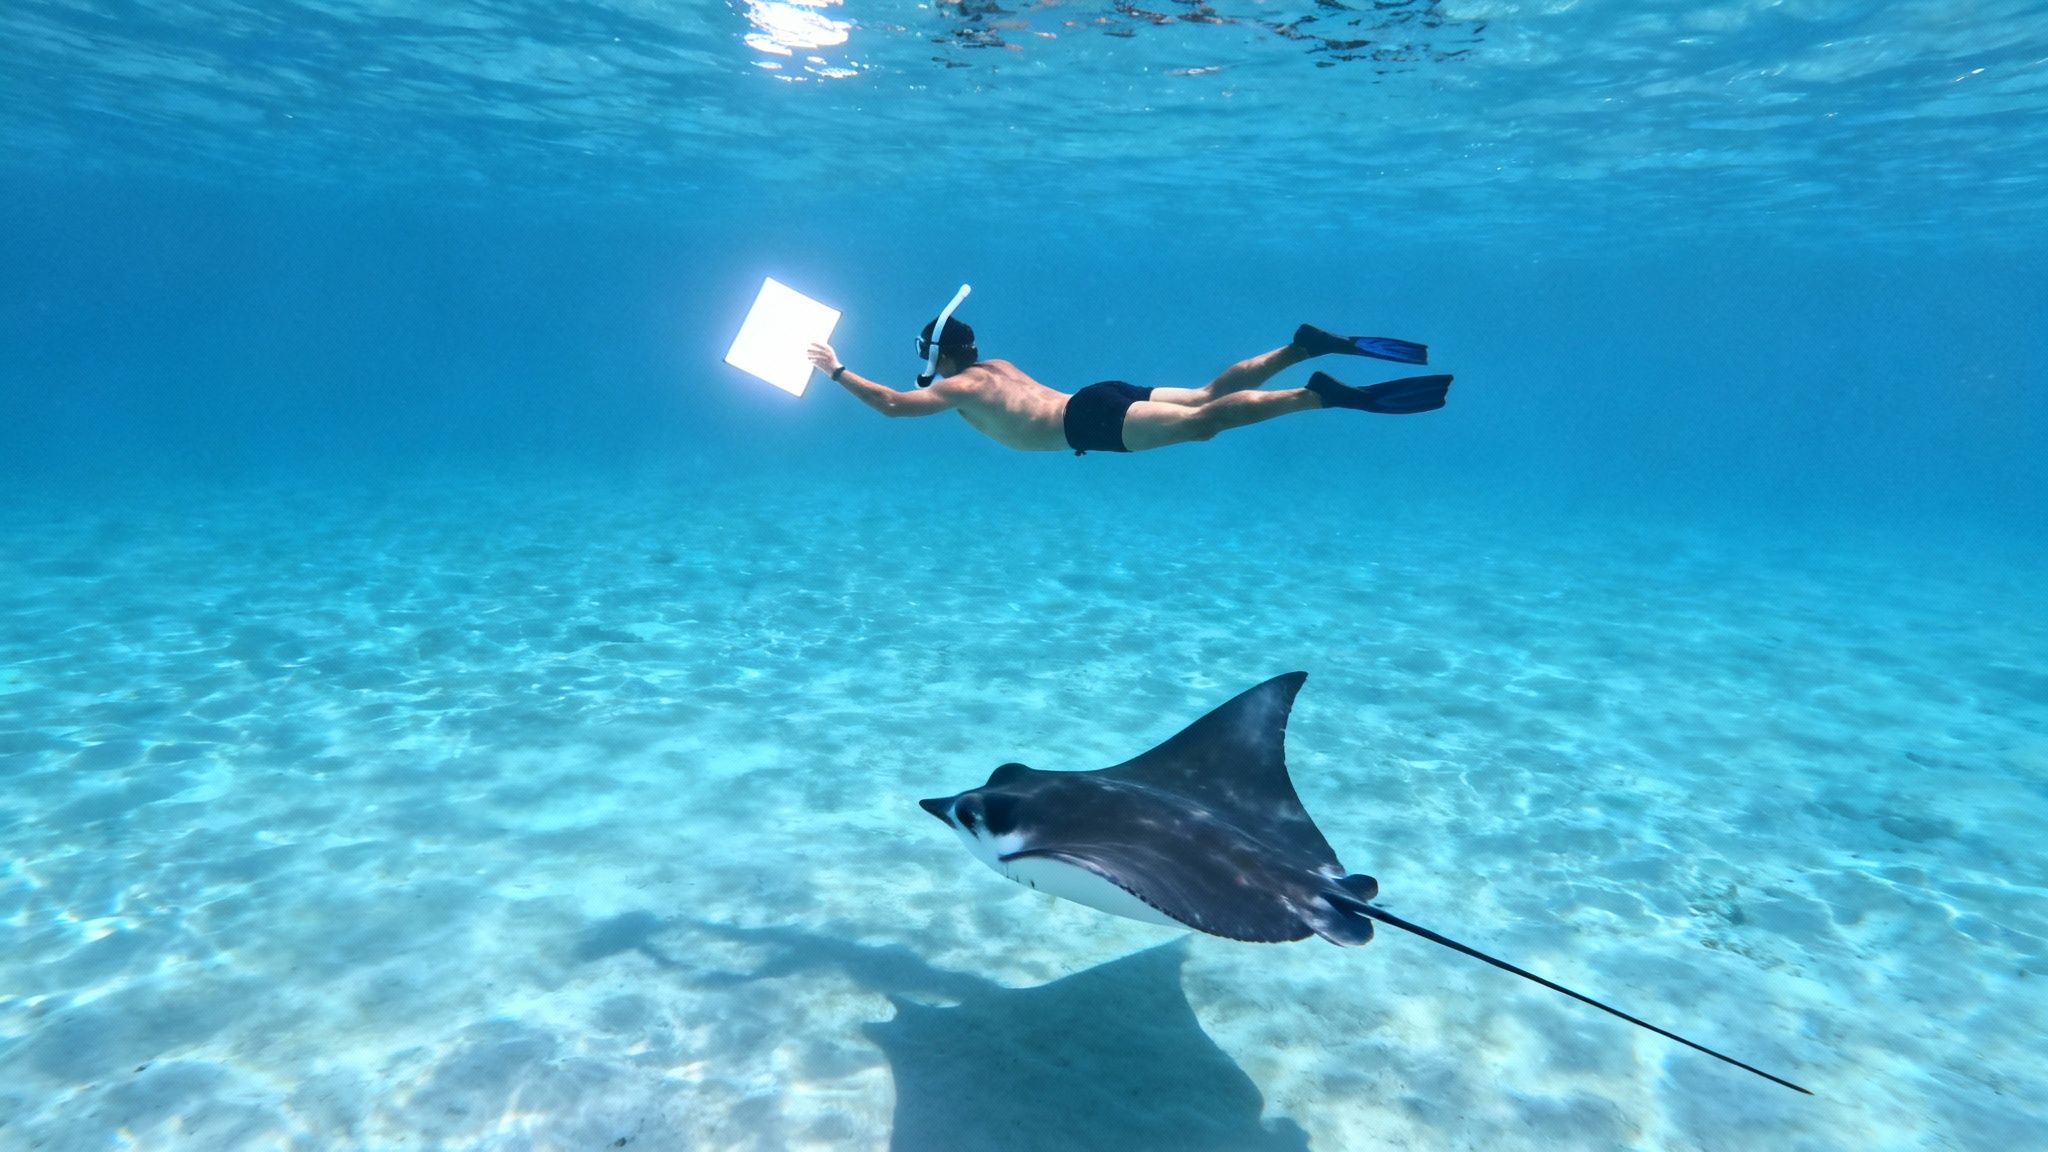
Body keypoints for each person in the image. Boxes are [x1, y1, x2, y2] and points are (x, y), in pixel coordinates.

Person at [805, 318, 1451, 455]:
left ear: (938, 355)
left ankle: (1317, 394)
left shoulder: (960, 389)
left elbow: (892, 405)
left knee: (1204, 424)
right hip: (1096, 395)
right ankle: (1300, 346)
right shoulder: (994, 365)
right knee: (1206, 396)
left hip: (1084, 424)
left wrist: (835, 369)